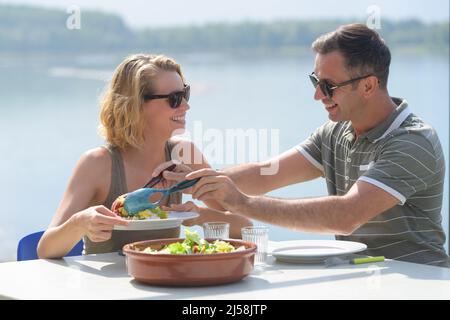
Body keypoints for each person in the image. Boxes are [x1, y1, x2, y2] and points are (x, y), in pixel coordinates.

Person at [160, 24, 449, 267]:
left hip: (419, 281)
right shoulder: (335, 133)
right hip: (362, 275)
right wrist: (186, 184)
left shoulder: (412, 141)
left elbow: (346, 216)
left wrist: (242, 203)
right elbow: (266, 173)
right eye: (315, 81)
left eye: (328, 86)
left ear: (369, 86)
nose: (317, 95)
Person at [37, 53, 251, 259]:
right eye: (175, 99)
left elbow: (244, 228)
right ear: (135, 106)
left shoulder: (185, 155)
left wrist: (199, 214)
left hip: (166, 285)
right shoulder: (98, 163)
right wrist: (80, 223)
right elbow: (46, 249)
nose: (186, 106)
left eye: (184, 93)